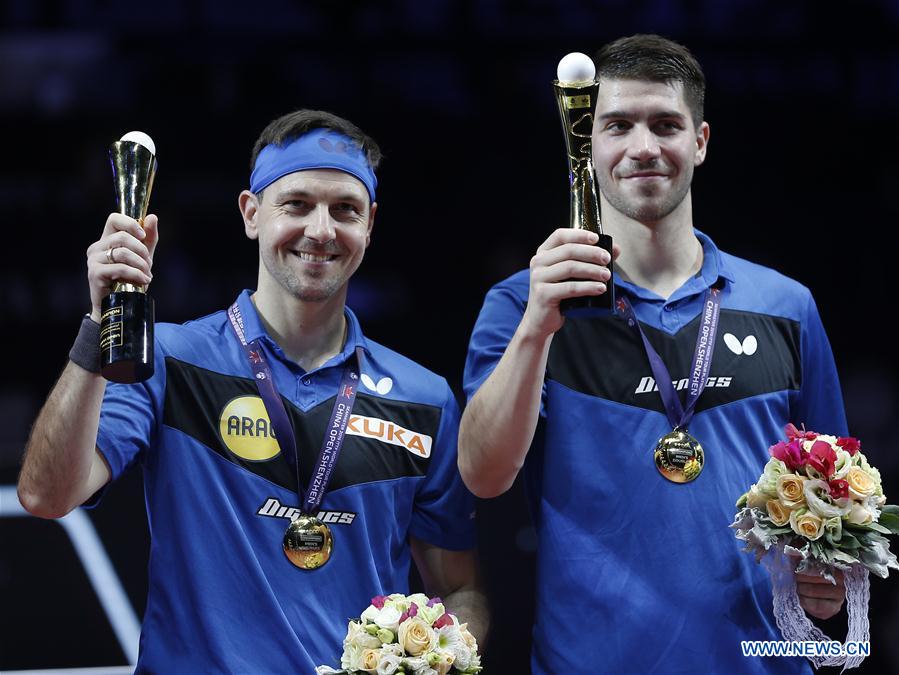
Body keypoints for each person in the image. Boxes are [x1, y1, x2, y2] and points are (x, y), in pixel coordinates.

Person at [18, 109, 487, 673]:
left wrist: (445, 655)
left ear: (370, 225)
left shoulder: (423, 399)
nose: (321, 230)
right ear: (251, 213)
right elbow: (47, 495)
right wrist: (101, 323)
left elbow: (460, 590)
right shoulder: (170, 361)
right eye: (297, 204)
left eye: (345, 209)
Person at [459, 34, 846, 674]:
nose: (643, 147)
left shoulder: (786, 305)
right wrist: (536, 328)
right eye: (618, 126)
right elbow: (483, 474)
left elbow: (834, 499)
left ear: (700, 141)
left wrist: (833, 578)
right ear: (589, 145)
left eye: (665, 125)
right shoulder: (522, 304)